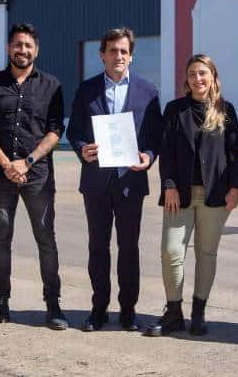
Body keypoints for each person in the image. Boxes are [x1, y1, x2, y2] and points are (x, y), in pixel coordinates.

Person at [0, 23, 68, 330]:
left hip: (37, 176)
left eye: (27, 45)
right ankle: (0, 305)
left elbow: (55, 131)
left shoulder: (51, 85)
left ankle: (53, 305)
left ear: (36, 50)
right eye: (17, 44)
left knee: (46, 240)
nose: (22, 50)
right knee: (0, 240)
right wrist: (6, 163)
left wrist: (27, 162)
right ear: (8, 48)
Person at [66, 27, 163, 332]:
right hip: (96, 181)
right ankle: (98, 309)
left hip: (130, 182)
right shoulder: (87, 90)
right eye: (112, 51)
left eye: (123, 51)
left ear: (131, 56)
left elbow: (155, 136)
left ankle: (128, 311)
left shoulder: (148, 92)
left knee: (129, 248)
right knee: (97, 247)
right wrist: (83, 148)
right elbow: (74, 131)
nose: (118, 56)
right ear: (102, 55)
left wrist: (148, 156)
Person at [145, 54, 238, 337]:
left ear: (212, 77)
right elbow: (166, 151)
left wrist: (235, 188)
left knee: (206, 254)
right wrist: (169, 185)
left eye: (202, 73)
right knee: (171, 251)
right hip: (180, 194)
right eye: (192, 74)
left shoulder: (226, 110)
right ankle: (174, 313)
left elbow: (234, 154)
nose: (197, 79)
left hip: (216, 195)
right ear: (186, 80)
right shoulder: (175, 109)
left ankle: (198, 312)